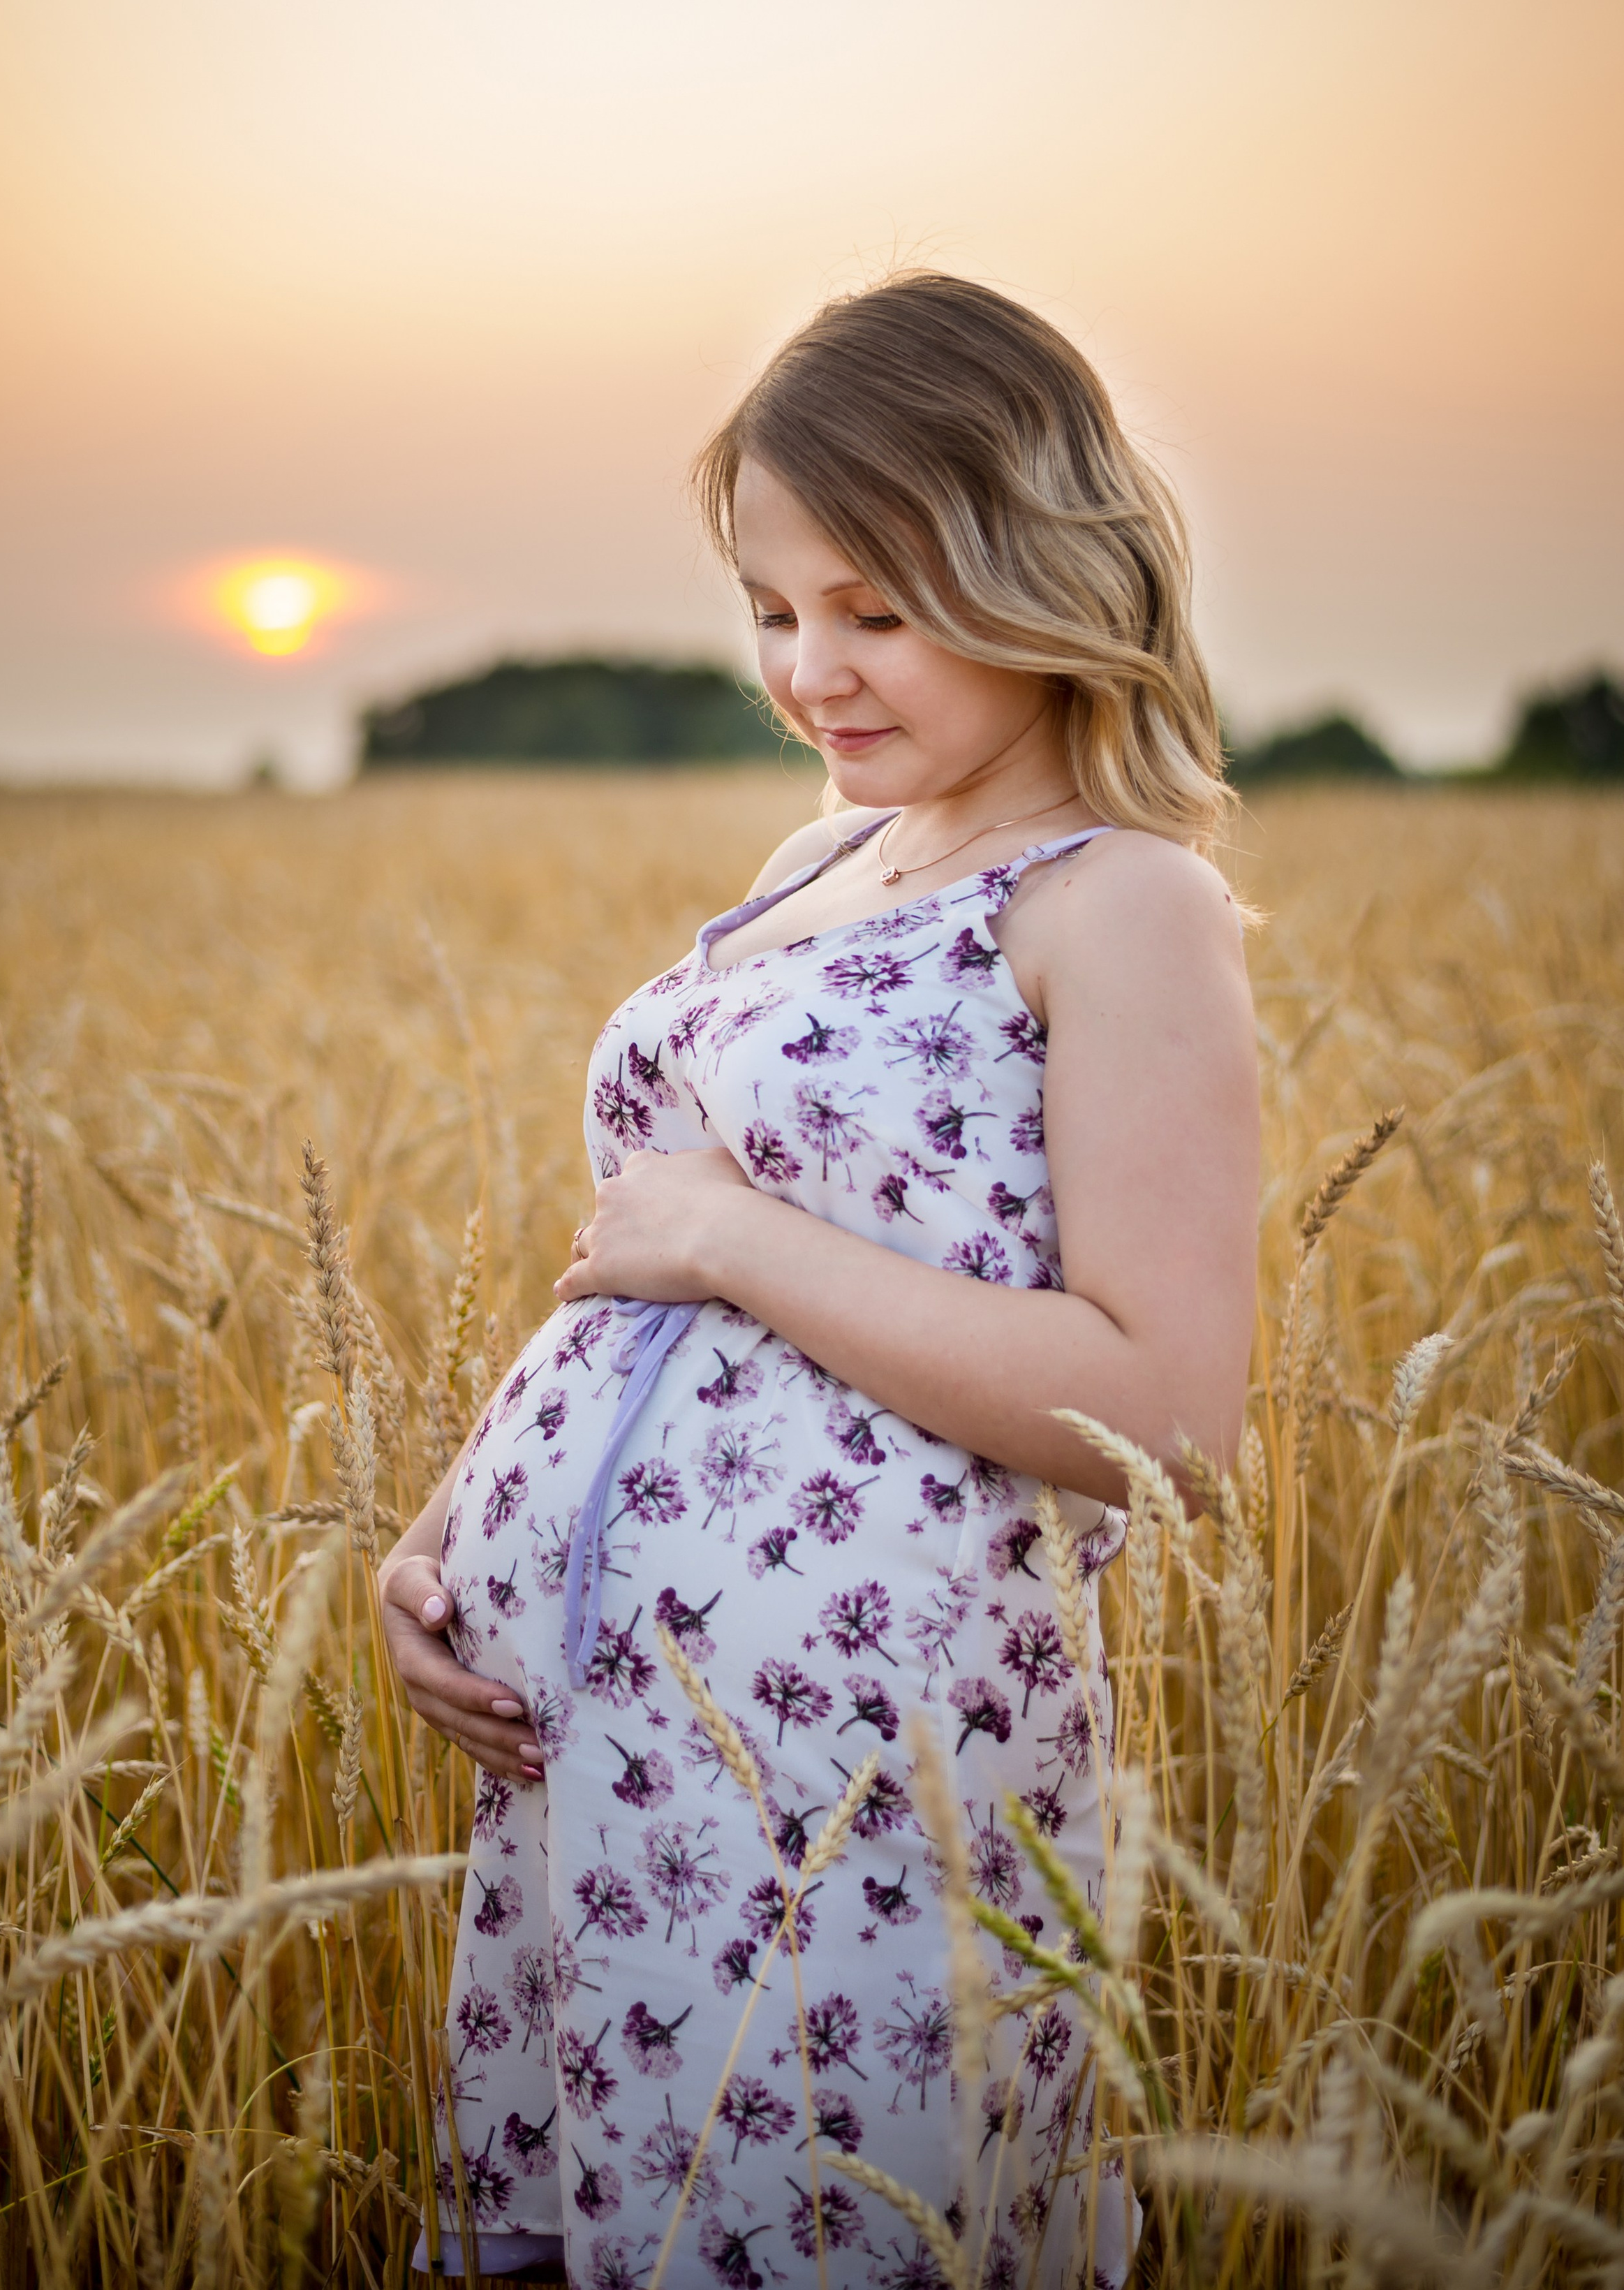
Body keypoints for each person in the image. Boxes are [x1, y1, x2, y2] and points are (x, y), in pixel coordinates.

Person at [381, 272, 1259, 2287]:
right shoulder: (817, 858)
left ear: (1039, 567)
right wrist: (459, 1527)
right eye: (773, 608)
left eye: (877, 607)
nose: (812, 668)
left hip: (861, 1784)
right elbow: (649, 1265)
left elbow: (1173, 1421)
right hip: (609, 1764)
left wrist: (741, 1239)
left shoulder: (1122, 902)